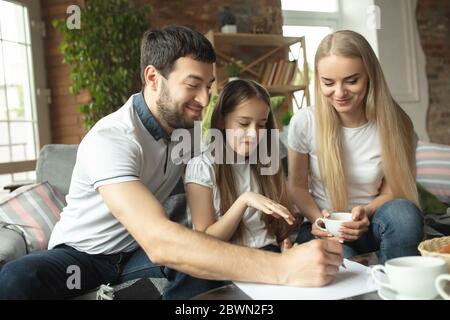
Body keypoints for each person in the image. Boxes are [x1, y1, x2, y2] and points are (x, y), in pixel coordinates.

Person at [0, 25, 343, 300]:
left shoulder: (189, 133)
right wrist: (283, 267)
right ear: (153, 78)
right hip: (83, 256)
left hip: (134, 255)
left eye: (209, 86)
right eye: (193, 85)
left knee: (203, 260)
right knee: (17, 277)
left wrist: (306, 221)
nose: (205, 100)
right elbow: (161, 240)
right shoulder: (113, 139)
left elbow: (243, 159)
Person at [287, 30, 423, 264]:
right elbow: (297, 187)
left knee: (404, 214)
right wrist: (320, 221)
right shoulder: (304, 122)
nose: (339, 93)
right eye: (328, 83)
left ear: (369, 75)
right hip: (323, 227)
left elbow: (394, 190)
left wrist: (365, 212)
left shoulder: (397, 123)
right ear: (318, 79)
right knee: (343, 265)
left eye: (352, 81)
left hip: (372, 222)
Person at [164, 79, 297, 298]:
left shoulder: (266, 162)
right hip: (223, 260)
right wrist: (244, 200)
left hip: (267, 255)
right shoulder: (202, 166)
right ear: (223, 121)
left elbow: (279, 229)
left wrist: (286, 244)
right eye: (244, 124)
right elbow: (205, 242)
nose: (254, 133)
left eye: (261, 125)